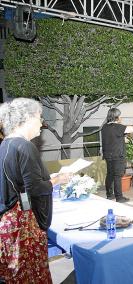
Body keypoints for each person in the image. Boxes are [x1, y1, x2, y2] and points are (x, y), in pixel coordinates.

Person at [0, 98, 71, 283]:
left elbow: (20, 181)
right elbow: (35, 188)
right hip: (23, 223)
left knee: (17, 274)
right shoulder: (24, 146)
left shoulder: (6, 143)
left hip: (9, 220)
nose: (42, 123)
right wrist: (58, 179)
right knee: (31, 272)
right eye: (39, 117)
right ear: (27, 118)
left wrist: (47, 178)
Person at [101, 108, 133, 203]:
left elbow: (114, 139)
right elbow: (132, 129)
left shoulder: (104, 127)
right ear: (116, 117)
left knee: (110, 175)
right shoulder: (117, 127)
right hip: (118, 156)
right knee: (117, 176)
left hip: (108, 155)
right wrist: (131, 125)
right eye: (120, 115)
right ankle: (119, 197)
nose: (121, 117)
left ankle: (109, 195)